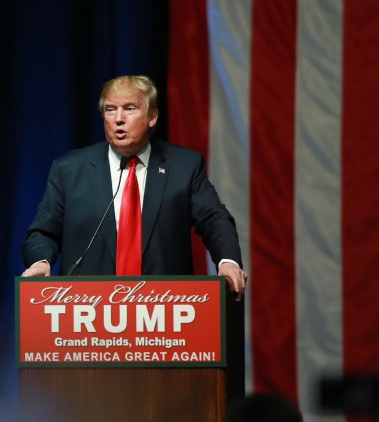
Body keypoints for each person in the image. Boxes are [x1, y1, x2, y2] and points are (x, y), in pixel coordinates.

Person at [22, 75, 247, 301]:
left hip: (165, 310)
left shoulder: (184, 167)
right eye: (110, 110)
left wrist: (227, 261)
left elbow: (214, 219)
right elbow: (43, 232)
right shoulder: (69, 170)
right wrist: (40, 262)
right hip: (87, 311)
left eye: (130, 108)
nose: (119, 118)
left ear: (152, 116)